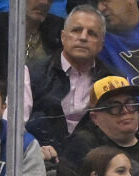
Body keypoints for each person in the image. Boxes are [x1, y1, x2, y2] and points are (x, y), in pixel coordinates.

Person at [27, 6, 117, 159]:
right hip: (40, 159)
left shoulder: (111, 81)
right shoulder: (31, 72)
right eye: (76, 30)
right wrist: (32, 147)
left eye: (92, 33)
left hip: (92, 164)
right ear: (63, 37)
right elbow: (11, 125)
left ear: (101, 44)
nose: (83, 37)